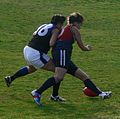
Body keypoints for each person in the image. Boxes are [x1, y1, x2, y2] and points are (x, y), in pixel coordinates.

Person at [31, 12, 112, 106]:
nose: (81, 25)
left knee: (83, 76)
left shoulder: (66, 28)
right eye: (80, 23)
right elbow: (81, 46)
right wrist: (87, 48)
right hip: (62, 52)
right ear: (76, 23)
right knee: (58, 76)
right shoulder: (73, 29)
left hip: (62, 53)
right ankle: (37, 92)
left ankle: (101, 93)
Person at [4, 14, 67, 101]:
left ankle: (11, 78)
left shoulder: (44, 25)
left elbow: (34, 34)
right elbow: (51, 43)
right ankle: (53, 95)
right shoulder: (56, 29)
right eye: (62, 24)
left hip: (27, 49)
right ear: (59, 23)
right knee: (58, 71)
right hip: (36, 53)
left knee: (32, 69)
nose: (62, 26)